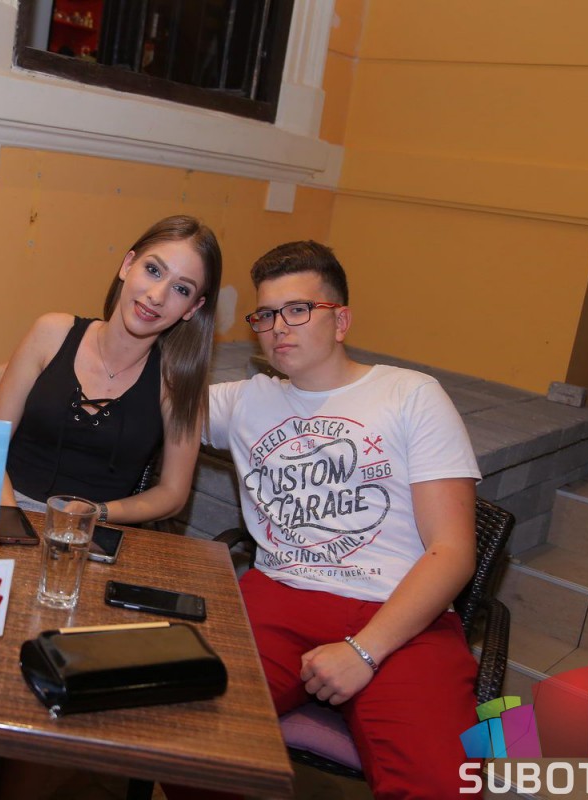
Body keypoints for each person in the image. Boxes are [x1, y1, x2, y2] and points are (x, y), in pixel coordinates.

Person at [204, 240, 480, 799]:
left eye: (298, 309)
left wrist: (364, 650)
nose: (278, 328)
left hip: (399, 608)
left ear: (341, 320)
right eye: (266, 315)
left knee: (441, 784)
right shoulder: (245, 401)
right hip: (278, 596)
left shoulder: (410, 395)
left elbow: (452, 551)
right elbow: (129, 388)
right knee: (181, 732)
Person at [0, 215, 222, 527]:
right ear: (127, 265)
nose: (157, 295)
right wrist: (12, 521)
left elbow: (173, 494)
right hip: (6, 508)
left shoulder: (177, 382)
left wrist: (96, 513)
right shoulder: (51, 333)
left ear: (192, 308)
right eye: (153, 270)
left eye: (181, 289)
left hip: (95, 530)